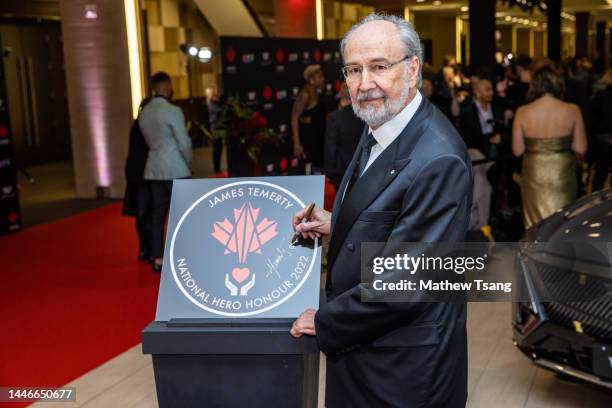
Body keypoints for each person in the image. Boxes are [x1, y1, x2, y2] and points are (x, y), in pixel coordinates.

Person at [290, 14, 472, 407]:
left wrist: (324, 321)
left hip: (401, 370)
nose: (364, 84)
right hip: (369, 354)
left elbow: (405, 284)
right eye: (353, 70)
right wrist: (336, 224)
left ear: (412, 69)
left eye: (379, 67)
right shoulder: (383, 122)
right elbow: (391, 213)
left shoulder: (438, 157)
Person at [512, 66, 587, 229]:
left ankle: (535, 253)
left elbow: (517, 150)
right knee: (562, 223)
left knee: (535, 227)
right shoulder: (572, 110)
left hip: (534, 174)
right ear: (558, 83)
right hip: (563, 173)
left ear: (534, 85)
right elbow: (581, 148)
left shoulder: (522, 112)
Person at [139, 72, 192, 272]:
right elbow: (184, 142)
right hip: (176, 167)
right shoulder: (173, 110)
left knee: (157, 215)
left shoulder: (144, 112)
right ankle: (186, 255)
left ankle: (158, 258)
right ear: (167, 86)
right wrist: (188, 162)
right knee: (184, 214)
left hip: (153, 168)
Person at [122, 97, 152, 262]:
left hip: (135, 174)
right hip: (144, 174)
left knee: (142, 215)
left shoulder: (136, 124)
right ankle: (148, 248)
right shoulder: (145, 126)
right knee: (147, 214)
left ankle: (144, 248)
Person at [324, 84, 364, 190]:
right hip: (363, 172)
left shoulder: (335, 118)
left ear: (341, 94)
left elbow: (330, 149)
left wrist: (330, 173)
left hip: (341, 175)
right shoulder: (366, 115)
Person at [291, 64, 326, 173]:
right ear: (311, 80)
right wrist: (297, 143)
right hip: (309, 142)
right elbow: (294, 118)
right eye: (320, 77)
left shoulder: (316, 93)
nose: (323, 79)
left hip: (318, 139)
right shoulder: (305, 95)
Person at [590, 69, 612, 191]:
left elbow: (593, 122)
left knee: (600, 175)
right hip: (605, 138)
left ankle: (596, 203)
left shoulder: (598, 98)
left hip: (601, 141)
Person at [206, 86, 223, 174]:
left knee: (219, 148)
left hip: (218, 128)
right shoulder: (210, 103)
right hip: (215, 128)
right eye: (215, 92)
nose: (217, 93)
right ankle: (216, 168)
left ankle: (217, 167)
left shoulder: (215, 102)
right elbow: (219, 111)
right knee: (217, 148)